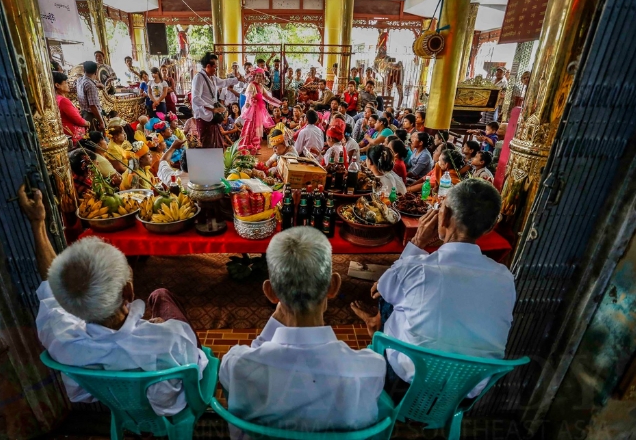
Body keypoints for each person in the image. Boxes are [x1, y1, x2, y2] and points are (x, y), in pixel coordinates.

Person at [18, 185, 207, 416]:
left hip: (117, 404)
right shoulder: (170, 337)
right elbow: (195, 365)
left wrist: (37, 224)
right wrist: (158, 327)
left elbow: (50, 281)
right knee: (160, 295)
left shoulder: (60, 336)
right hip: (172, 408)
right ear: (128, 292)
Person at [351, 179, 514, 399]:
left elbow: (381, 288)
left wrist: (417, 242)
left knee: (388, 294)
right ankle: (380, 325)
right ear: (490, 227)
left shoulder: (417, 267)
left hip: (405, 386)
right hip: (465, 392)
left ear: (444, 215)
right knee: (401, 290)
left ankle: (379, 333)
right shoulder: (505, 277)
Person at [220, 226, 386, 433]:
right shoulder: (370, 368)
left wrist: (274, 321)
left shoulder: (237, 364)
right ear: (333, 286)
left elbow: (255, 353)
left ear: (270, 292)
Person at [191, 52, 242, 148]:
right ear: (208, 66)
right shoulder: (198, 78)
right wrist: (213, 109)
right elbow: (195, 99)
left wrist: (237, 79)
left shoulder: (212, 77)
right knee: (207, 144)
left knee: (217, 144)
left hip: (212, 117)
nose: (216, 69)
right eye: (215, 67)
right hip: (203, 116)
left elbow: (223, 82)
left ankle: (216, 161)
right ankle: (208, 162)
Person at [240, 68, 281, 155]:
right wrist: (248, 103)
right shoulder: (251, 85)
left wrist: (279, 103)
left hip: (258, 111)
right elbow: (248, 96)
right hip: (252, 110)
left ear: (263, 77)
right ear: (254, 76)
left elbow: (268, 98)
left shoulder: (261, 87)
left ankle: (255, 148)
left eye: (260, 76)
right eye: (257, 76)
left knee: (258, 128)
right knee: (250, 128)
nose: (258, 77)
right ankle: (247, 147)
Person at [53, 71, 89, 145]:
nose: (68, 84)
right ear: (57, 85)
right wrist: (88, 123)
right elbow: (78, 120)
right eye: (65, 82)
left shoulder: (56, 98)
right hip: (74, 138)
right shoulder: (63, 100)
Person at [77, 61, 105, 131]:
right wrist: (101, 122)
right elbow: (93, 106)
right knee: (96, 137)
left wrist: (97, 84)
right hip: (92, 116)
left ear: (84, 70)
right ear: (96, 71)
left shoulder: (79, 80)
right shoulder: (90, 85)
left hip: (84, 113)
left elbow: (89, 82)